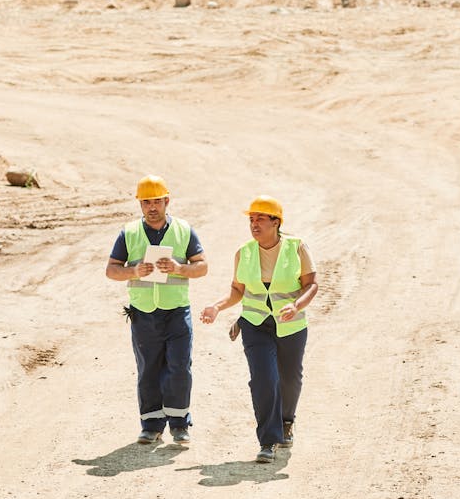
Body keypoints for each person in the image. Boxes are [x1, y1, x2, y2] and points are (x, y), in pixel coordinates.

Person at [200, 196, 317, 464]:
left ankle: (287, 421)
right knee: (264, 379)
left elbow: (311, 284)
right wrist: (218, 307)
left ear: (276, 222)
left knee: (290, 379)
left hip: (291, 324)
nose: (254, 224)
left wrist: (297, 306)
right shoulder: (245, 252)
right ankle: (268, 440)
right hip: (254, 324)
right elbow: (238, 291)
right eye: (251, 219)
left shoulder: (297, 248)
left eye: (260, 219)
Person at [106, 175, 208, 445]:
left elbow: (202, 267)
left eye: (157, 201)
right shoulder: (129, 233)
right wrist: (133, 271)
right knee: (148, 368)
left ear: (167, 201)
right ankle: (151, 425)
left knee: (179, 366)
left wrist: (179, 268)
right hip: (143, 312)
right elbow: (111, 270)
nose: (152, 207)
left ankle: (179, 423)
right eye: (146, 202)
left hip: (176, 311)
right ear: (140, 204)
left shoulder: (184, 230)